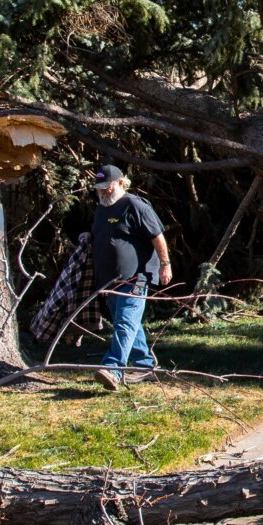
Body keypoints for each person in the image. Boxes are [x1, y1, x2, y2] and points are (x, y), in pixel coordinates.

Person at [88, 165, 173, 390]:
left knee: (125, 321)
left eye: (106, 188)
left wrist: (165, 264)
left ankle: (113, 368)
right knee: (126, 322)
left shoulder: (135, 205)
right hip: (110, 279)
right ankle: (145, 364)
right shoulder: (102, 208)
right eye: (99, 189)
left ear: (119, 183)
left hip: (137, 277)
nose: (103, 192)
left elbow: (158, 236)